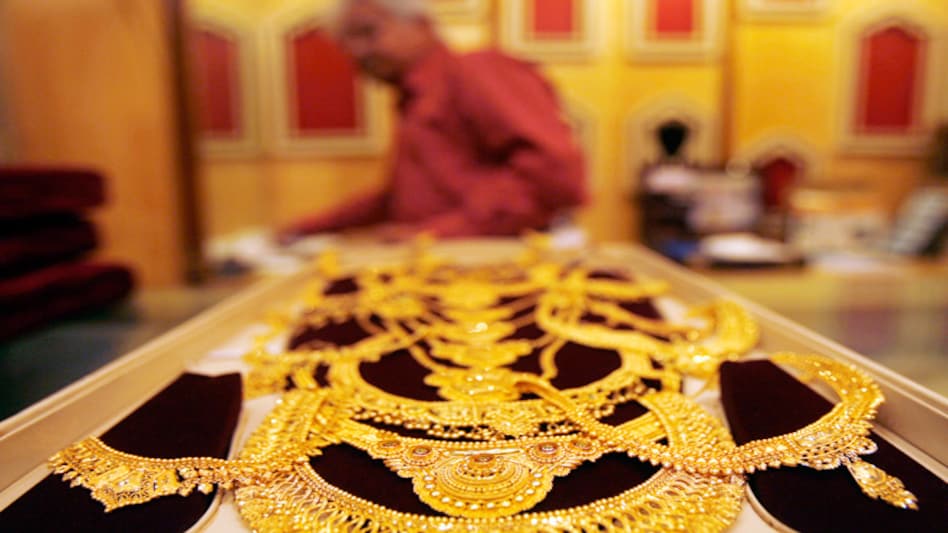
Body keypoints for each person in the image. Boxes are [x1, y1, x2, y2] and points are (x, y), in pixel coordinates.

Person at [279, 0, 586, 243]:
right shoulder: (412, 101)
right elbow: (398, 199)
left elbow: (556, 175)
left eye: (368, 32)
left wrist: (434, 235)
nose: (358, 52)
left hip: (491, 275)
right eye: (347, 45)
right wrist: (302, 229)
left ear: (421, 24)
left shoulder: (476, 71)